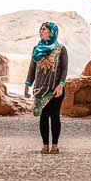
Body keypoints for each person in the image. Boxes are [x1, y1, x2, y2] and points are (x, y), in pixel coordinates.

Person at [24, 21, 68, 154]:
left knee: (54, 116)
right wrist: (27, 84)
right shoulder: (36, 49)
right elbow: (32, 67)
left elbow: (64, 68)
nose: (41, 31)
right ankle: (45, 145)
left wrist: (61, 84)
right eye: (41, 29)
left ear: (52, 32)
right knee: (43, 117)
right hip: (40, 89)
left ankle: (54, 145)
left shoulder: (61, 49)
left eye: (44, 29)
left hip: (55, 89)